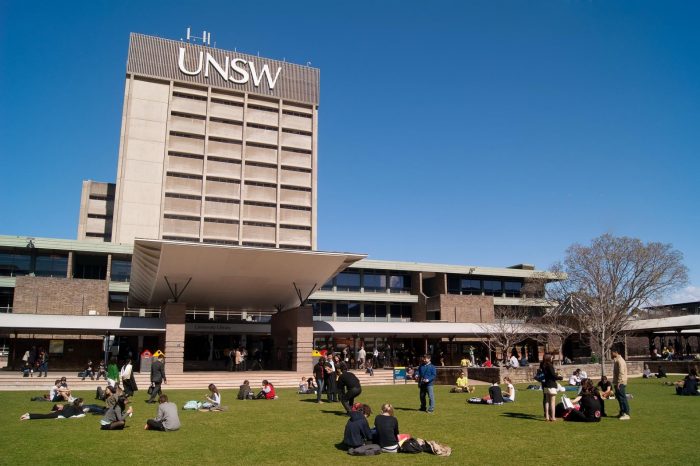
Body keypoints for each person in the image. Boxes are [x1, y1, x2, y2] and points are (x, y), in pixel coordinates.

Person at [541, 353, 562, 422]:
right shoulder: (549, 366)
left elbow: (549, 375)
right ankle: (553, 417)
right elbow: (553, 375)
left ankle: (547, 416)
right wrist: (560, 377)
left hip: (546, 384)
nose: (552, 358)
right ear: (549, 358)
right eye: (551, 357)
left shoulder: (543, 365)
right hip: (551, 385)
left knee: (547, 401)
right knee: (552, 402)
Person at [20, 398, 85, 420]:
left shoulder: (70, 405)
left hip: (58, 413)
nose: (83, 403)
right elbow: (79, 414)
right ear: (79, 403)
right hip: (59, 414)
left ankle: (28, 415)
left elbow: (63, 408)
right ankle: (28, 416)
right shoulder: (76, 408)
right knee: (44, 416)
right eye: (82, 402)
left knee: (45, 415)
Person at [611, 348, 630, 420]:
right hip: (617, 382)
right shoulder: (617, 360)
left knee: (622, 398)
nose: (611, 354)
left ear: (616, 352)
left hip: (620, 383)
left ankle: (626, 413)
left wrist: (619, 382)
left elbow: (621, 373)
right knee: (619, 398)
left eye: (612, 352)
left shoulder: (620, 361)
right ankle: (622, 412)